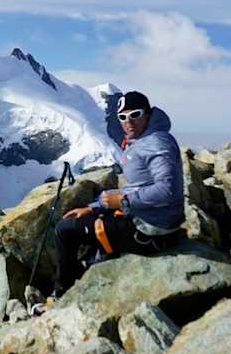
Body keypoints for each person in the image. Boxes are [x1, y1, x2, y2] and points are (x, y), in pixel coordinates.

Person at [52, 91, 185, 297]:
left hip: (150, 230)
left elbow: (167, 190)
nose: (128, 121)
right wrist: (93, 207)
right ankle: (86, 272)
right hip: (146, 218)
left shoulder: (156, 143)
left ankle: (61, 295)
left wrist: (122, 200)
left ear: (148, 114)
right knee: (84, 219)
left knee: (65, 230)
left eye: (135, 114)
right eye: (122, 117)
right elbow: (138, 186)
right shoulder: (143, 139)